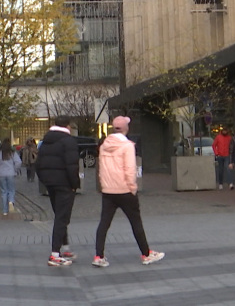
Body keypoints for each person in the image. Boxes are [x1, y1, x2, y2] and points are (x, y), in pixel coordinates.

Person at [93, 116, 165, 268]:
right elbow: (130, 169)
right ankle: (146, 254)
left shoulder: (104, 145)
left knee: (104, 223)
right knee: (135, 222)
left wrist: (103, 185)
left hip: (108, 191)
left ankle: (99, 255)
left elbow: (101, 168)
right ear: (126, 128)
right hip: (125, 190)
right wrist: (132, 187)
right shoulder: (127, 146)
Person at [35, 115, 80, 267]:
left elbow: (38, 163)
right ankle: (55, 254)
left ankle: (65, 248)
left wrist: (44, 180)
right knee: (62, 218)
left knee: (60, 215)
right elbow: (72, 166)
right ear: (67, 126)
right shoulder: (69, 142)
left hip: (50, 184)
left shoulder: (45, 141)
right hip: (64, 184)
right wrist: (74, 184)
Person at [0, 138, 22, 215]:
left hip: (1, 174)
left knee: (4, 191)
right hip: (11, 173)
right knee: (11, 190)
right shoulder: (12, 153)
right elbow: (19, 162)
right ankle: (11, 201)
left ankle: (5, 210)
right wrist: (14, 169)